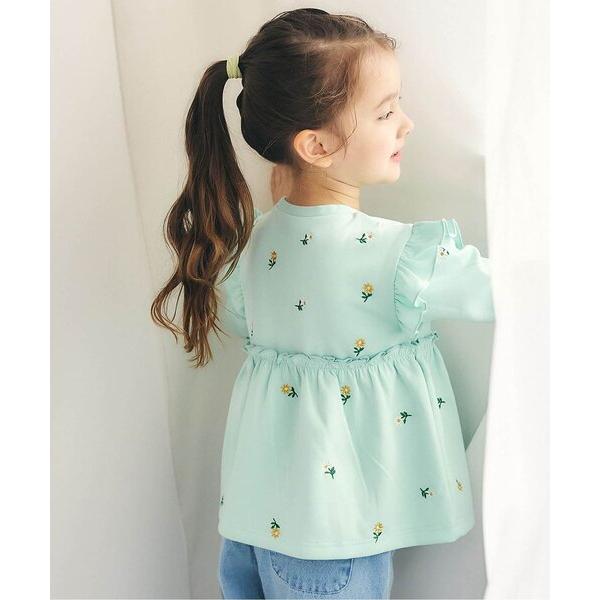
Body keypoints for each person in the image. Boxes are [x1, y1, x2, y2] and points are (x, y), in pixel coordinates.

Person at [151, 7, 495, 599]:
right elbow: (514, 291)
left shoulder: (244, 250)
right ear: (315, 145)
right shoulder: (399, 260)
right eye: (386, 112)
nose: (407, 124)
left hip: (254, 527)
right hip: (332, 542)